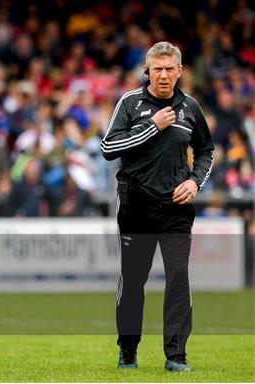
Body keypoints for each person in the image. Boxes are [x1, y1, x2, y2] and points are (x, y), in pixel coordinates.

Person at [100, 42, 214, 372]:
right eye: (157, 69)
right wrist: (153, 127)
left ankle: (175, 357)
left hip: (176, 207)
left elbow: (207, 150)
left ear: (179, 72)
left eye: (169, 69)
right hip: (136, 202)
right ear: (147, 71)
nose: (163, 75)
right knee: (134, 279)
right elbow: (108, 147)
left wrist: (194, 182)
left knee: (178, 277)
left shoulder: (191, 107)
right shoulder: (130, 103)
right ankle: (128, 349)